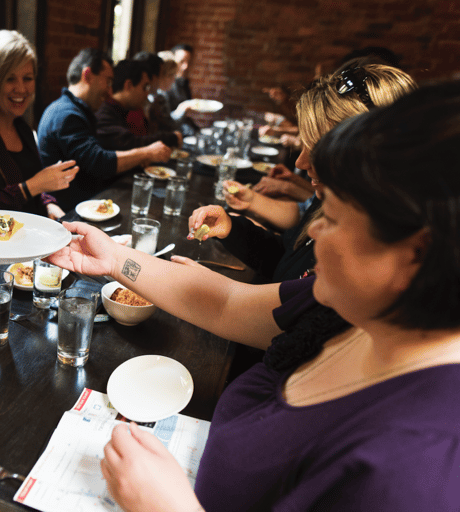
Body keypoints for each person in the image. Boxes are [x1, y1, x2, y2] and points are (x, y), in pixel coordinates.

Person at [49, 81, 460, 511]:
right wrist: (114, 258)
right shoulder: (353, 309)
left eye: (334, 218)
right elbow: (224, 303)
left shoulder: (417, 470)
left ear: (414, 254)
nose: (313, 230)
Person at [186, 64, 417, 282]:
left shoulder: (366, 255)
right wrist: (231, 228)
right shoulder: (329, 202)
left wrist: (213, 288)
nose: (300, 161)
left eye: (316, 149)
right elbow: (285, 258)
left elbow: (280, 307)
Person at [37, 48, 172, 212]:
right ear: (87, 75)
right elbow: (98, 163)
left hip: (85, 202)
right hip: (69, 210)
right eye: (108, 82)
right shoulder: (66, 114)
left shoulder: (73, 109)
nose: (110, 91)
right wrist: (146, 153)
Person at [0, 30, 78, 220]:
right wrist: (32, 187)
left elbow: (37, 185)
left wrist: (52, 207)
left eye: (27, 78)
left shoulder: (23, 129)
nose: (21, 89)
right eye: (10, 79)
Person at [95, 59, 181, 151]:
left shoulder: (120, 109)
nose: (147, 94)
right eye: (145, 87)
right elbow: (130, 143)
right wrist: (171, 137)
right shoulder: (104, 111)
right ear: (129, 85)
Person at [165, 43, 198, 135]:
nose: (186, 67)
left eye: (189, 62)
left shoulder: (184, 83)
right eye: (181, 61)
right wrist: (183, 108)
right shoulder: (164, 87)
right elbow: (166, 122)